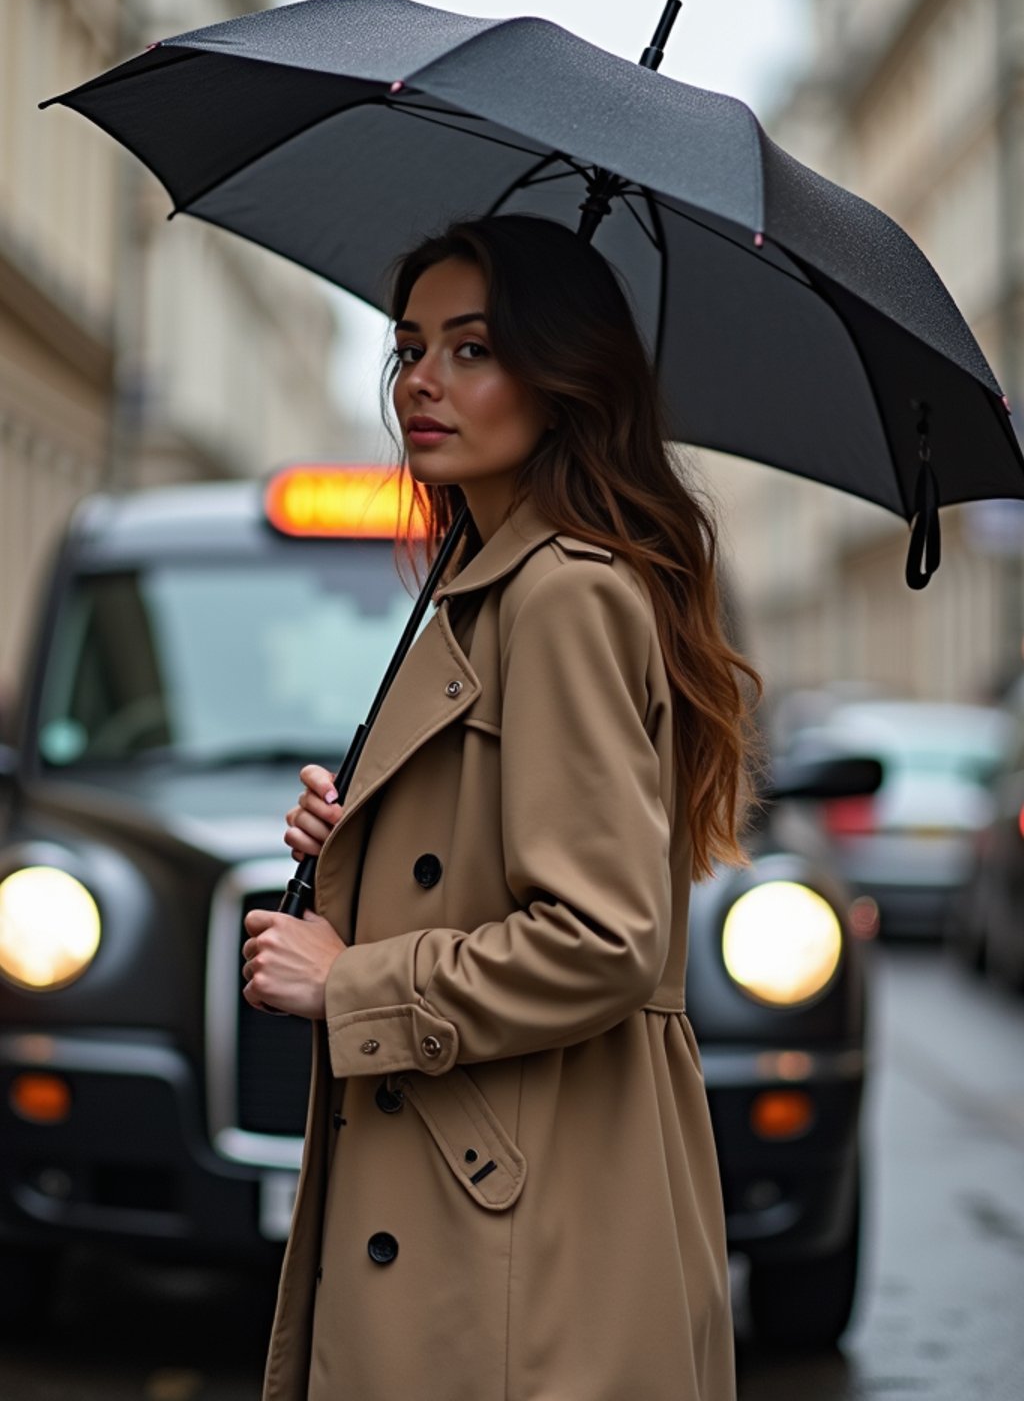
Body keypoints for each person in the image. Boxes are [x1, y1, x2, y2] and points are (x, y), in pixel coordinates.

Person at [241, 214, 763, 1401]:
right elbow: (500, 864)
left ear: (563, 378)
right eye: (410, 347)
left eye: (472, 349)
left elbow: (604, 939)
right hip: (495, 1189)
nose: (422, 380)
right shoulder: (495, 586)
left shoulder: (562, 596)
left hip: (527, 1226)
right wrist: (359, 852)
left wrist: (347, 981)